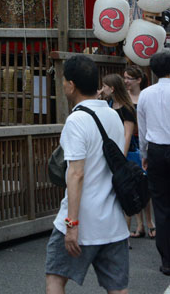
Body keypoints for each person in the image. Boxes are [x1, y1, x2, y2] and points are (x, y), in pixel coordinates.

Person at [45, 54, 129, 294]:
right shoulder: (113, 116)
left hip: (81, 219)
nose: (62, 85)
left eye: (63, 80)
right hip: (113, 221)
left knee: (55, 278)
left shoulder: (77, 120)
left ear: (71, 85)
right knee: (118, 288)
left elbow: (76, 174)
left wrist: (71, 224)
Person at [137, 49, 170, 277]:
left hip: (156, 150)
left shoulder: (145, 95)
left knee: (161, 205)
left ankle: (167, 260)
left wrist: (144, 154)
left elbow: (143, 128)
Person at [123, 65, 155, 240]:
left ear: (139, 80)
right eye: (124, 78)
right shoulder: (123, 98)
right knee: (132, 184)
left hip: (143, 142)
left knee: (144, 183)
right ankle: (140, 224)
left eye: (129, 78)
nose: (126, 81)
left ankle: (149, 221)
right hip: (128, 143)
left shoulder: (146, 96)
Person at [99, 73, 136, 155]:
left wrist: (123, 156)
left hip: (123, 150)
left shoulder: (127, 108)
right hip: (111, 148)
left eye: (104, 86)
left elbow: (127, 135)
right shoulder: (109, 103)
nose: (102, 89)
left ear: (112, 89)